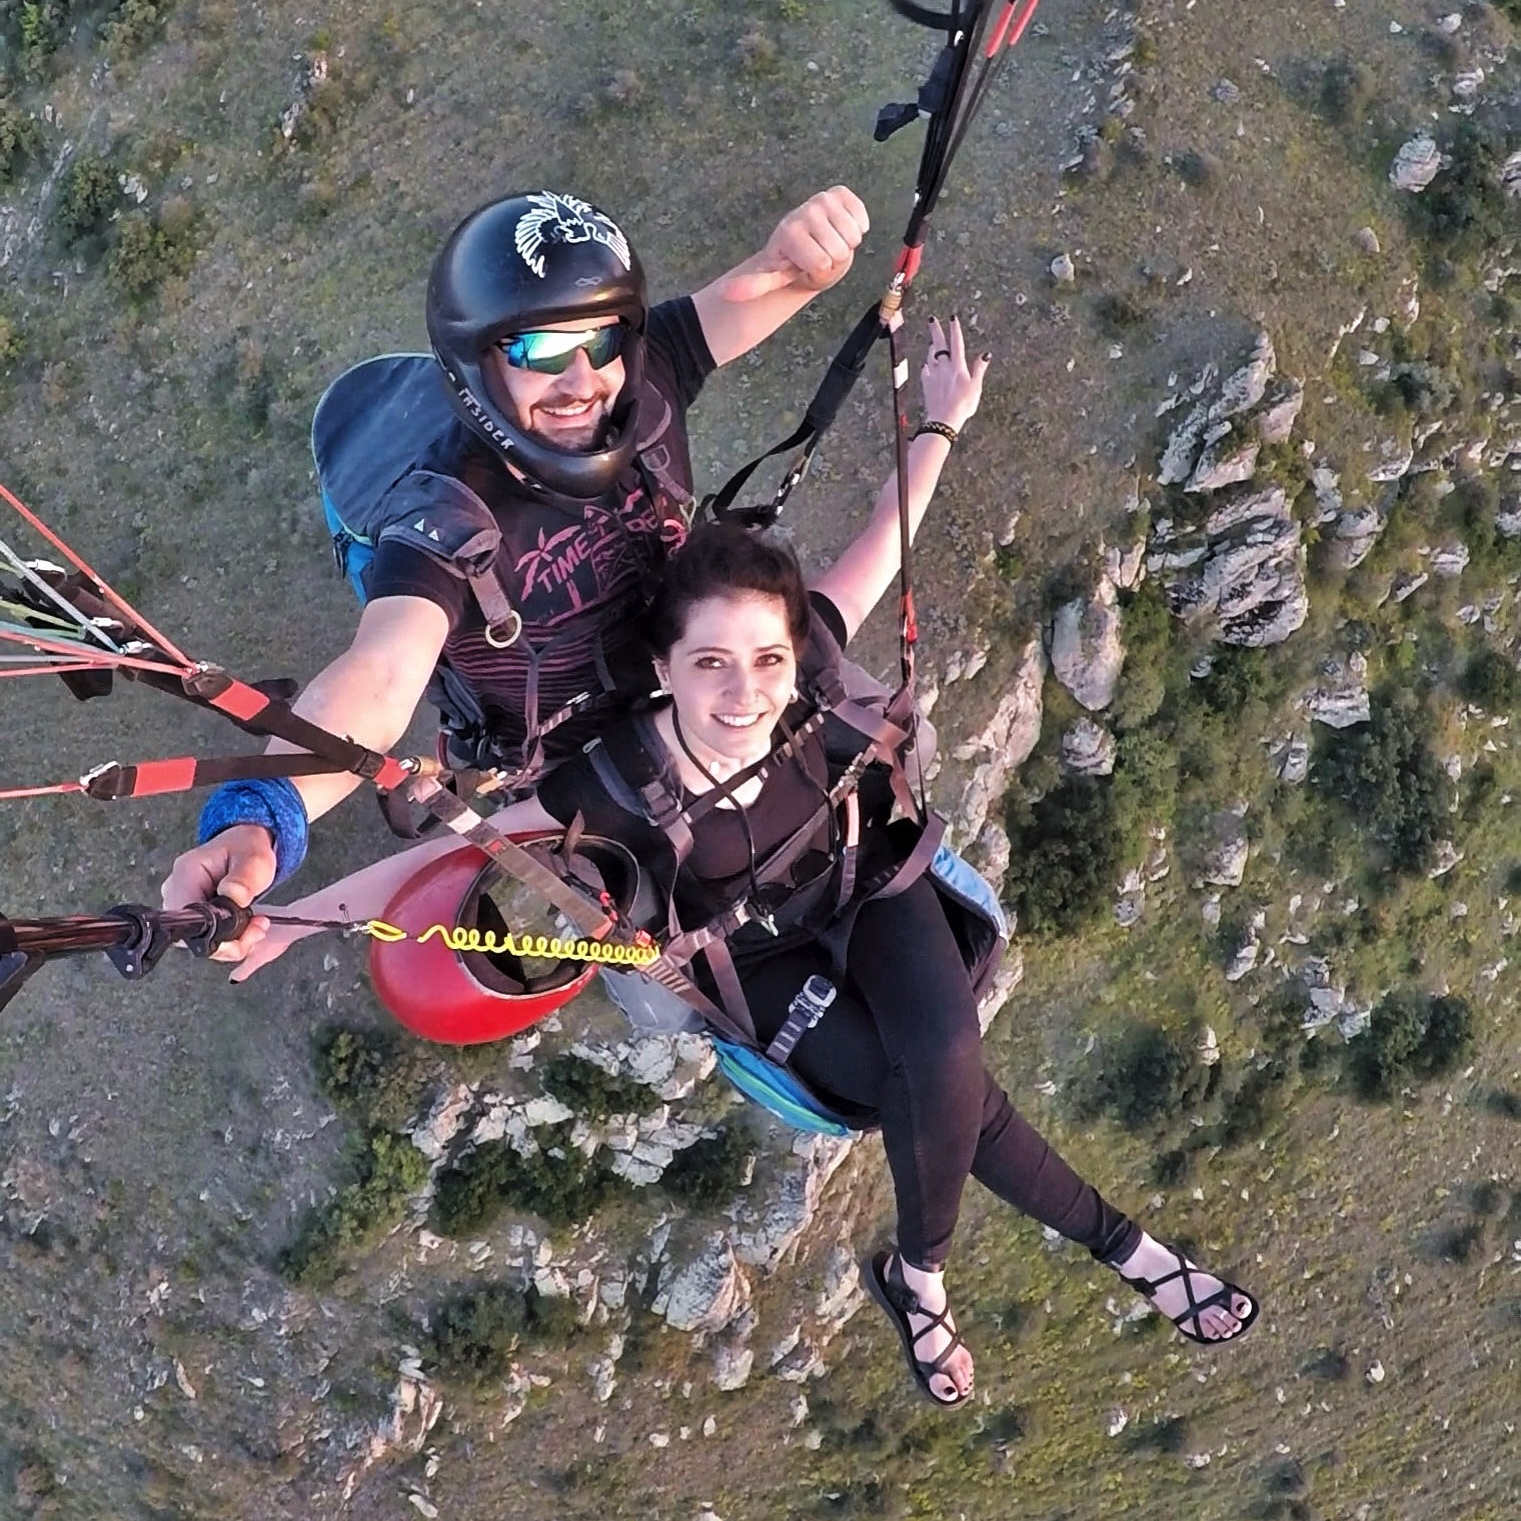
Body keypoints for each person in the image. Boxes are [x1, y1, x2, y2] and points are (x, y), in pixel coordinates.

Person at [230, 319, 1259, 1406]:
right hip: (751, 959)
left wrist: (943, 421)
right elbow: (443, 853)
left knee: (947, 1053)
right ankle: (1077, 1265)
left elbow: (884, 542)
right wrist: (285, 914)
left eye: (766, 658)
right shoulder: (611, 782)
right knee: (912, 1093)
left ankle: (938, 1278)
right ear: (664, 669)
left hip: (864, 877)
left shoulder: (807, 670)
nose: (746, 692)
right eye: (711, 664)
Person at [161, 184, 871, 964]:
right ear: (478, 365)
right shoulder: (444, 518)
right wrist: (264, 814)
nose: (580, 380)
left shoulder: (645, 380)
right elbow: (381, 674)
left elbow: (753, 291)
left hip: (701, 674)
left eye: (600, 341)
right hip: (589, 766)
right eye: (536, 351)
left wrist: (806, 257)